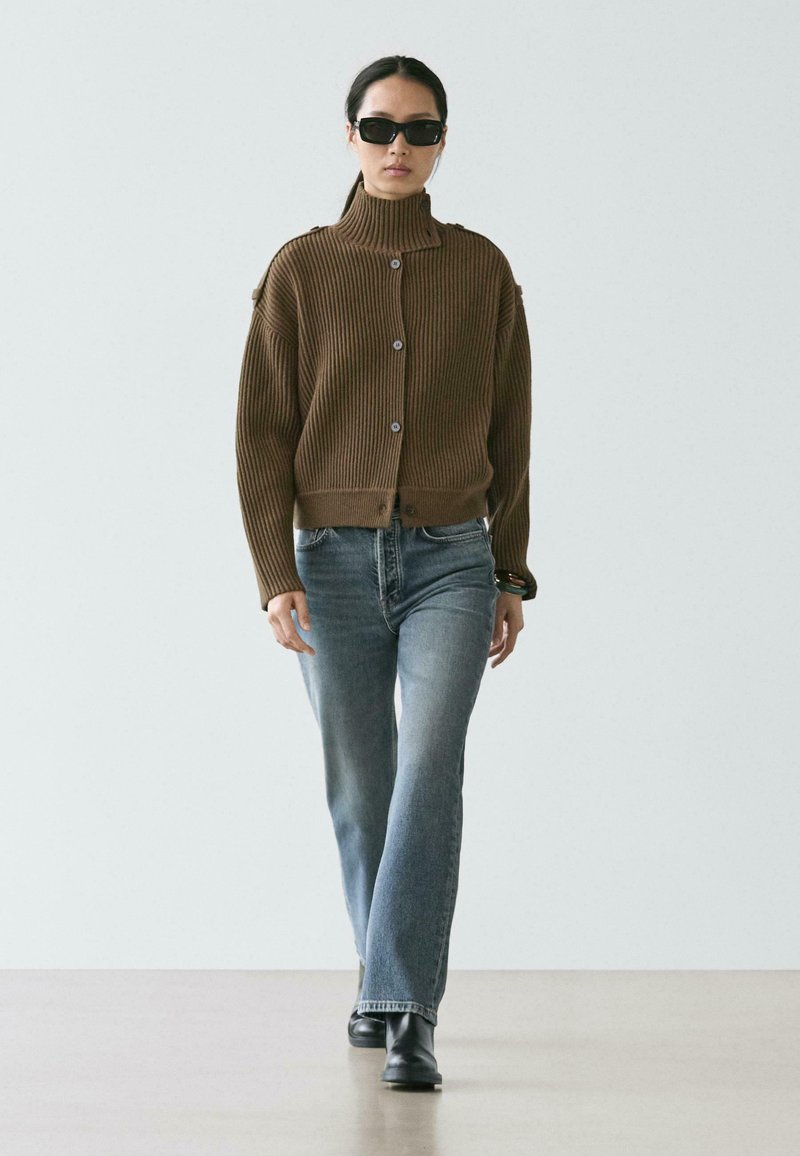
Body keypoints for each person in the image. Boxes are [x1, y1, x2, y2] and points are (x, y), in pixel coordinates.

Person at [235, 54, 537, 1089]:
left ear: (442, 140)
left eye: (419, 128)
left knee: (428, 765)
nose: (398, 146)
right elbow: (261, 431)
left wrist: (511, 570)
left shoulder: (482, 269)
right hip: (328, 564)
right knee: (362, 788)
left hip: (453, 559)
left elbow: (511, 430)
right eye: (379, 127)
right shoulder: (301, 269)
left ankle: (406, 1005)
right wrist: (273, 568)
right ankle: (379, 972)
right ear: (350, 136)